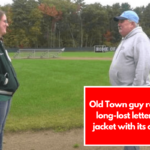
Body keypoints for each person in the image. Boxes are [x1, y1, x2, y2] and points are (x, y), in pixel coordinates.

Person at [109, 10, 150, 150]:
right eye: (118, 21)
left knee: (130, 132)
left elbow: (143, 67)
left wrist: (135, 92)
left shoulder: (140, 38)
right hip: (124, 91)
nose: (119, 24)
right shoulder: (127, 38)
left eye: (122, 21)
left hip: (131, 92)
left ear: (132, 23)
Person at [0, 10, 19, 150]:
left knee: (0, 130)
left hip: (6, 94)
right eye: (4, 21)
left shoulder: (0, 42)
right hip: (1, 94)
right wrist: (4, 81)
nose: (7, 24)